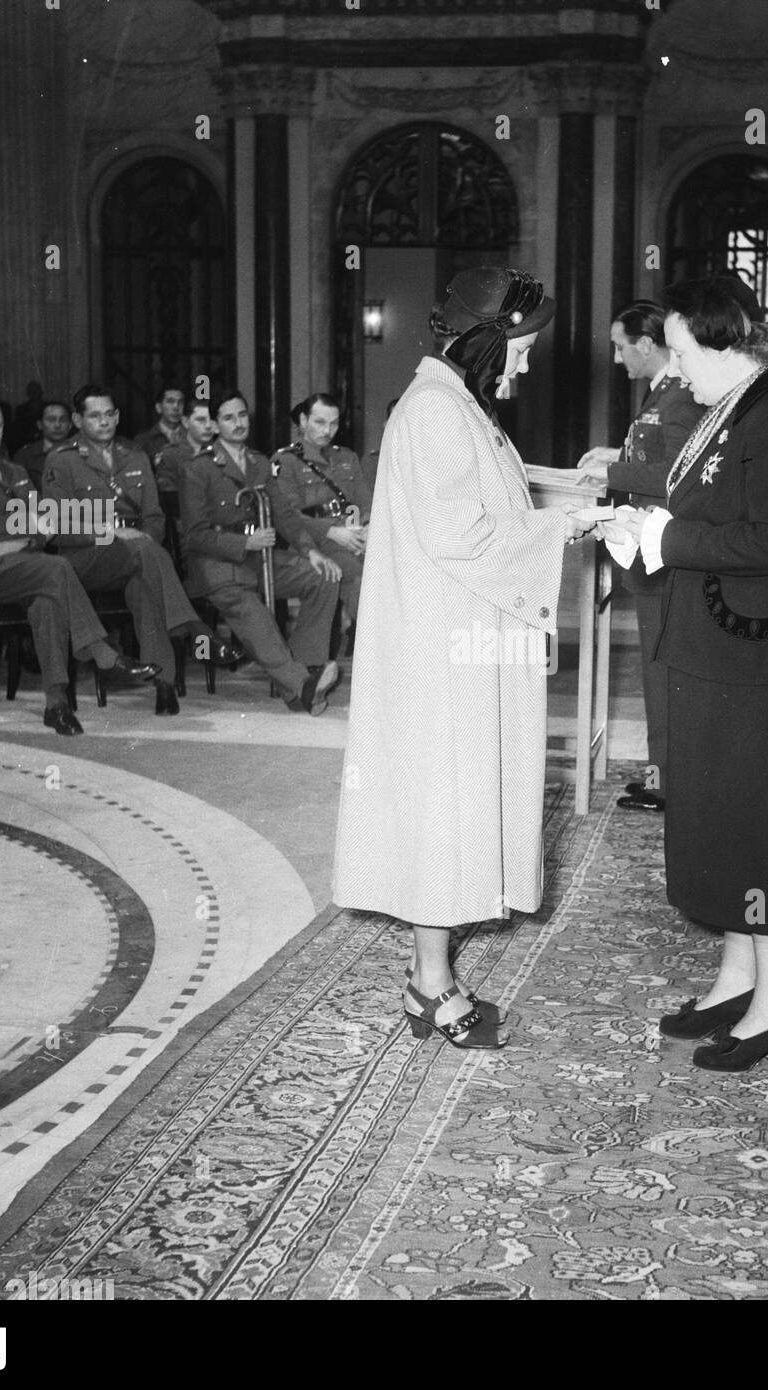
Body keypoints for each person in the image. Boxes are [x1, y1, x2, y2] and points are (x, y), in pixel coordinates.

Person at [333, 267, 592, 1051]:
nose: (523, 364)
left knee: (453, 809)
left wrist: (559, 498)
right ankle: (430, 985)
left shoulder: (453, 402)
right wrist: (562, 529)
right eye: (519, 348)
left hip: (459, 637)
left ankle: (430, 976)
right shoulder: (439, 410)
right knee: (443, 813)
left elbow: (487, 504)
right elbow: (458, 535)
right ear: (487, 338)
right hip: (444, 651)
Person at [601, 274, 768, 1072]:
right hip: (709, 642)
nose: (675, 363)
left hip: (761, 653)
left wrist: (672, 544)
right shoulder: (721, 409)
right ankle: (737, 979)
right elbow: (701, 509)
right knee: (723, 820)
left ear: (724, 344)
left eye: (686, 349)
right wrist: (646, 530)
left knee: (763, 827)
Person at [0, 395, 158, 734]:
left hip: (20, 563)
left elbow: (47, 525)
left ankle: (57, 704)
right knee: (56, 569)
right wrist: (28, 527)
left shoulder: (16, 472)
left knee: (48, 598)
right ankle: (103, 654)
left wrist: (21, 539)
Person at [576, 300, 705, 812]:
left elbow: (679, 474)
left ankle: (671, 783)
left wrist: (613, 474)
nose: (616, 358)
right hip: (647, 549)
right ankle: (663, 776)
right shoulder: (664, 394)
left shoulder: (680, 397)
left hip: (662, 550)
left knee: (665, 670)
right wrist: (618, 456)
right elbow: (654, 457)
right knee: (656, 669)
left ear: (646, 345)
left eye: (620, 346)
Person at [41, 384, 237, 716]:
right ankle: (195, 629)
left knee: (145, 579)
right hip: (86, 554)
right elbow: (58, 526)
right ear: (77, 419)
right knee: (143, 554)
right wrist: (111, 533)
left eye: (109, 414)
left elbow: (154, 518)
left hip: (135, 553)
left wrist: (143, 537)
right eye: (94, 416)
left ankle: (164, 685)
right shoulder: (62, 460)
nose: (104, 422)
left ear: (117, 416)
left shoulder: (135, 455)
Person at [179, 388, 342, 714]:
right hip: (216, 563)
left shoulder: (258, 462)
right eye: (228, 418)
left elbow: (282, 514)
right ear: (213, 424)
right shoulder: (198, 469)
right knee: (252, 611)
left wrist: (310, 551)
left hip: (259, 558)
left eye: (242, 415)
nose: (238, 423)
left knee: (322, 576)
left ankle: (306, 672)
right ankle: (300, 687)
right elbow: (194, 536)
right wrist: (244, 543)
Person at [272, 393, 373, 658]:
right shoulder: (285, 462)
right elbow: (289, 516)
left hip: (350, 539)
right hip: (311, 544)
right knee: (363, 577)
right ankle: (376, 648)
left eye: (334, 424)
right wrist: (332, 531)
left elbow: (363, 503)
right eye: (319, 422)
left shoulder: (347, 458)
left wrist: (366, 526)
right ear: (303, 420)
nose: (327, 431)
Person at [13, 400, 73, 491]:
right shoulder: (25, 455)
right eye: (51, 420)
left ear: (70, 425)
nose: (57, 425)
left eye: (63, 419)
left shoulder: (80, 453)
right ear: (40, 425)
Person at [136, 385, 186, 466]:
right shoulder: (143, 440)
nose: (176, 407)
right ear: (158, 407)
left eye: (180, 402)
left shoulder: (194, 436)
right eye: (170, 401)